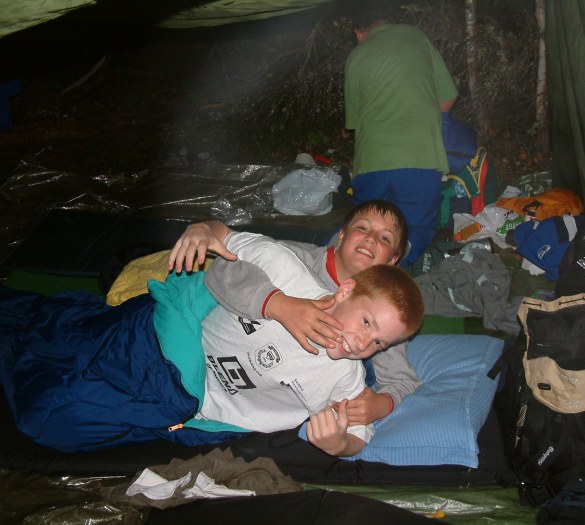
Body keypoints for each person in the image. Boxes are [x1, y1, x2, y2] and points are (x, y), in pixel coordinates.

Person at [0, 231, 424, 456]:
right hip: (157, 340)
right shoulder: (289, 274)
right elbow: (224, 244)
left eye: (377, 342)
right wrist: (276, 304)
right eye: (366, 322)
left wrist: (339, 443)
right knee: (55, 333)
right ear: (345, 291)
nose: (361, 343)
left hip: (187, 410)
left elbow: (359, 432)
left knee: (51, 419)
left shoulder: (340, 377)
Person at [169, 200, 420, 426]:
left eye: (385, 238)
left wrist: (381, 405)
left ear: (393, 261)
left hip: (273, 385)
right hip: (220, 337)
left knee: (363, 378)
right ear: (342, 235)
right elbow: (230, 253)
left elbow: (402, 381)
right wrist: (279, 304)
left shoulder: (384, 318)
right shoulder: (298, 260)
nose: (372, 239)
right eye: (363, 228)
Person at [344, 12, 458, 265]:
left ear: (359, 32)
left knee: (363, 226)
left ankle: (334, 269)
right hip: (420, 156)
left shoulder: (356, 57)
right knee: (413, 227)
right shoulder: (416, 36)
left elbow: (355, 122)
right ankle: (393, 274)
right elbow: (447, 97)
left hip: (372, 160)